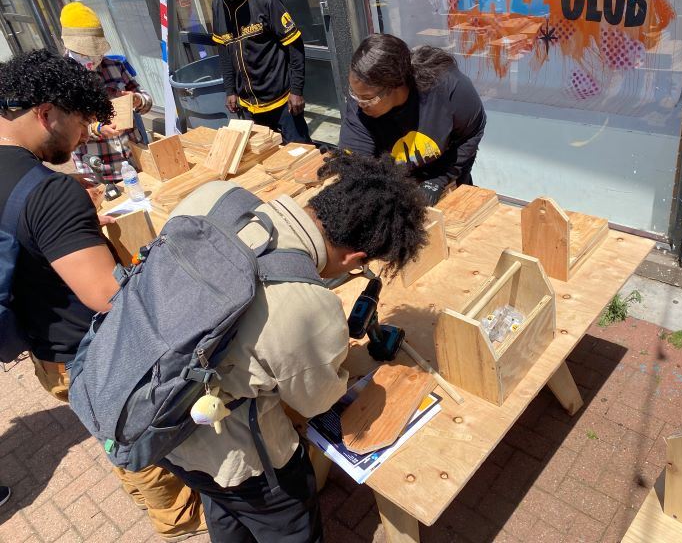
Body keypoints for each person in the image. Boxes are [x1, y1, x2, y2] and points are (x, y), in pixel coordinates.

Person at [160, 152, 429, 542]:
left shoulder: (215, 197)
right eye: (354, 268)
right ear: (355, 257)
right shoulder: (309, 307)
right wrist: (332, 351)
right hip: (241, 459)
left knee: (222, 509)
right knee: (285, 522)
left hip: (161, 411)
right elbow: (316, 402)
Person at [0, 50, 205, 542]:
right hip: (87, 352)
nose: (86, 136)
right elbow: (109, 297)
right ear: (47, 112)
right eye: (81, 122)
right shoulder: (50, 193)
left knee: (103, 426)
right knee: (131, 433)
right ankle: (177, 517)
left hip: (39, 344)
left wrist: (75, 236)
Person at [340, 34, 487, 206]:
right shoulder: (360, 106)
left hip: (446, 180)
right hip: (392, 189)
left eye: (367, 98)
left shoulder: (448, 88)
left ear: (395, 85)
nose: (359, 104)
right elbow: (356, 170)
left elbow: (472, 131)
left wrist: (439, 180)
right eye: (354, 94)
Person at [201, 0, 312, 143]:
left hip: (282, 101)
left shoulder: (265, 0)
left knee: (300, 154)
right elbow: (224, 52)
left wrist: (296, 90)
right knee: (264, 158)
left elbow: (295, 47)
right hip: (249, 106)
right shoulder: (217, 4)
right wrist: (230, 90)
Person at [60, 1, 153, 183]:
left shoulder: (115, 66)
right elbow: (63, 130)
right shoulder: (59, 78)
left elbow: (147, 100)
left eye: (96, 51)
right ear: (69, 46)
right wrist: (97, 129)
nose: (92, 57)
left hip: (136, 159)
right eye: (85, 52)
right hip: (100, 170)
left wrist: (137, 100)